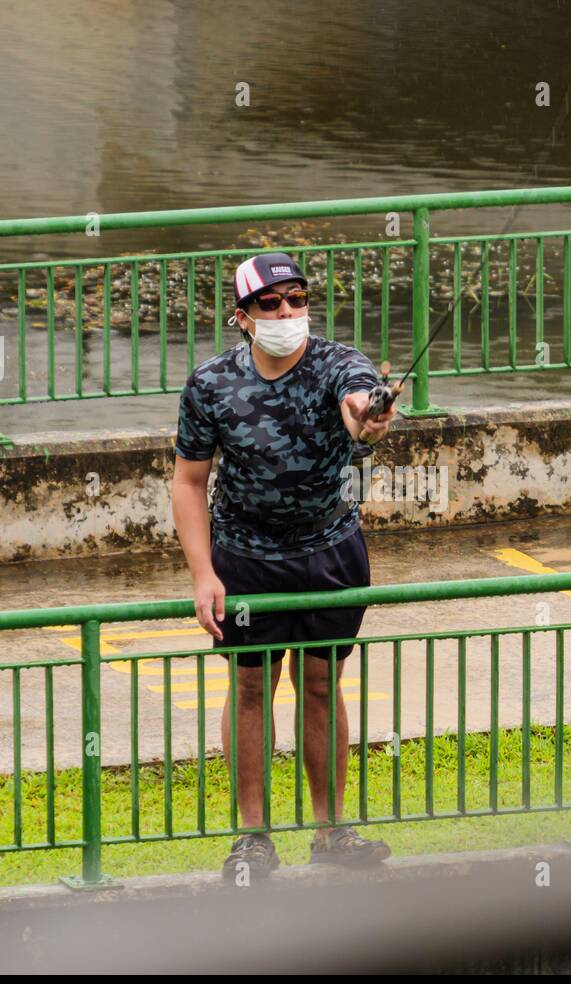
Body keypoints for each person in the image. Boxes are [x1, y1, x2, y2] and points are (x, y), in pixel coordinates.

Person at [171, 251, 398, 882]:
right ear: (241, 317)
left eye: (296, 299)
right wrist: (203, 574)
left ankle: (331, 829)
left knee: (323, 684)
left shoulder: (337, 362)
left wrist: (370, 416)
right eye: (270, 304)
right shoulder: (211, 384)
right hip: (244, 559)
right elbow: (189, 482)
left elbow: (360, 409)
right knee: (251, 689)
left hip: (331, 551)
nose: (287, 312)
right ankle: (252, 836)